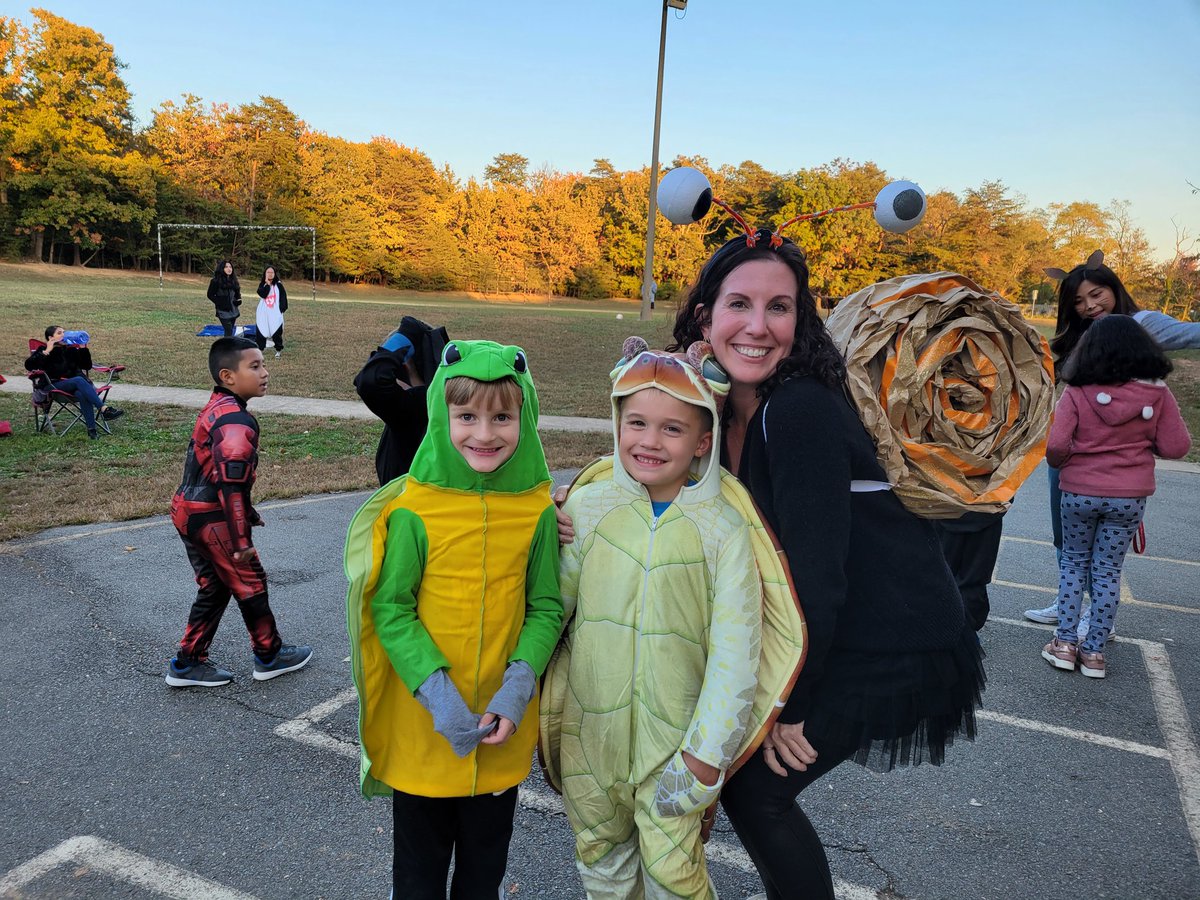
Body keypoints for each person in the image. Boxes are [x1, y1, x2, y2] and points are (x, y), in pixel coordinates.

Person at [665, 230, 984, 899]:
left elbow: (819, 574)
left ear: (800, 319)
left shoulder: (800, 407)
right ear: (705, 315)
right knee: (751, 790)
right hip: (841, 629)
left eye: (779, 308)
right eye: (739, 305)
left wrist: (790, 706)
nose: (758, 326)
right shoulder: (727, 404)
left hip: (894, 640)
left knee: (758, 794)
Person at [543, 338, 762, 899]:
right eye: (636, 422)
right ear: (617, 424)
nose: (649, 441)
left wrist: (706, 754)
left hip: (677, 744)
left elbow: (735, 655)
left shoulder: (724, 530)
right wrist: (538, 528)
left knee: (675, 875)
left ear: (702, 442)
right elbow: (548, 610)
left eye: (672, 429)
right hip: (589, 739)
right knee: (601, 862)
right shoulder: (585, 510)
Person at [344, 339, 563, 899]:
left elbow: (545, 607)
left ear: (526, 418)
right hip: (426, 731)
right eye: (466, 416)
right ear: (442, 416)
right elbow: (391, 609)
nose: (484, 434)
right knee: (418, 876)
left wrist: (518, 688)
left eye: (502, 418)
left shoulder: (536, 509)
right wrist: (436, 695)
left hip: (500, 731)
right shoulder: (416, 509)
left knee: (483, 875)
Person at [1025, 253, 1200, 630]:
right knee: (1065, 537)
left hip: (1115, 466)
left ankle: (1095, 616)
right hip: (1072, 458)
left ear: (1114, 289)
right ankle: (1069, 603)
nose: (1089, 306)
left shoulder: (1142, 324)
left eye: (1097, 294)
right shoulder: (1077, 335)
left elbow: (1192, 334)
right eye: (1078, 301)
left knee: (1101, 555)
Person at [1040, 315, 1191, 678]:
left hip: (1078, 491)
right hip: (1128, 498)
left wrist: (1069, 459)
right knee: (1108, 571)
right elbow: (1177, 446)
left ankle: (1063, 644)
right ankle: (1093, 652)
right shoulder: (1157, 393)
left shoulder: (1077, 390)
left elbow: (1057, 446)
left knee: (1074, 565)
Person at [165, 337, 312, 688]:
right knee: (250, 582)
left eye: (263, 363)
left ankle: (187, 663)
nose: (265, 372)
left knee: (215, 587)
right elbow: (230, 482)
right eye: (255, 366)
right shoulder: (235, 420)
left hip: (189, 510)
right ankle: (269, 655)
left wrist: (246, 511)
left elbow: (216, 471)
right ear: (228, 376)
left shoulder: (219, 405)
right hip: (212, 516)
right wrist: (241, 537)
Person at [354, 316, 450, 485]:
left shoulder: (414, 410)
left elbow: (370, 380)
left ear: (403, 367)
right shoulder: (444, 404)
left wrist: (406, 335)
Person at [25, 325, 123, 439]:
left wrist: (82, 348)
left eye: (64, 332)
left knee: (81, 393)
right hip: (53, 386)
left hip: (76, 386)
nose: (63, 334)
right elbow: (29, 366)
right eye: (59, 333)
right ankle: (104, 409)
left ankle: (92, 431)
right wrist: (47, 350)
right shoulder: (43, 350)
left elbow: (86, 366)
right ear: (51, 337)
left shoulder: (71, 350)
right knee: (79, 380)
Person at [254, 265, 288, 359]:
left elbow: (283, 297)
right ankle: (260, 349)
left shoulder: (279, 285)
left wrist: (282, 309)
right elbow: (263, 294)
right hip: (264, 312)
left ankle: (278, 350)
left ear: (275, 274)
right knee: (261, 330)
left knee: (276, 330)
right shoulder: (263, 284)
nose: (270, 274)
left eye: (272, 272)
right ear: (265, 274)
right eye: (268, 272)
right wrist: (267, 284)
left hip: (275, 312)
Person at [207, 259, 242, 337]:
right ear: (222, 268)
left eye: (230, 267)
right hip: (223, 310)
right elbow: (210, 295)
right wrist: (220, 302)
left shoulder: (234, 280)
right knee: (228, 330)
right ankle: (227, 348)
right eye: (226, 267)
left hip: (233, 308)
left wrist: (239, 299)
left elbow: (237, 292)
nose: (229, 269)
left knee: (231, 330)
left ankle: (228, 346)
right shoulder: (215, 281)